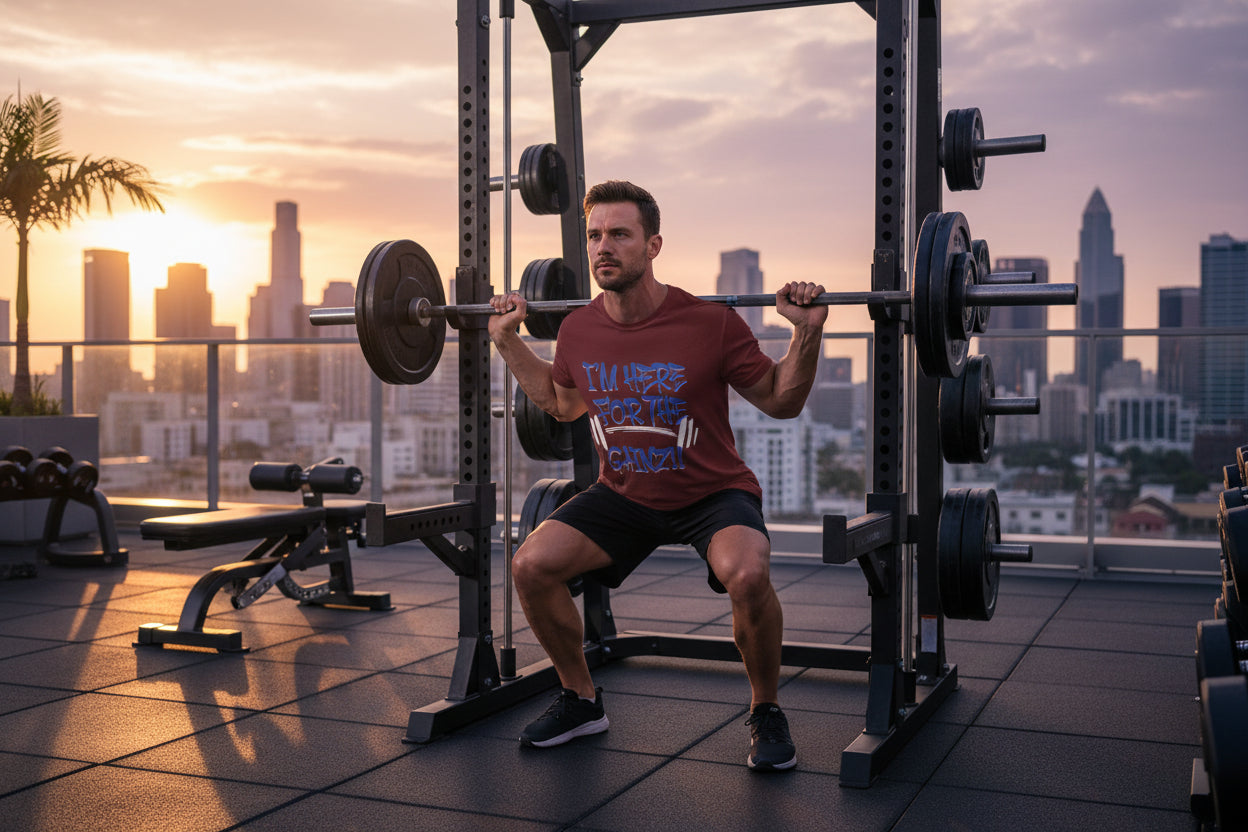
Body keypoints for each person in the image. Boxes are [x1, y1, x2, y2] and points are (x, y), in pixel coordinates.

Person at [488, 180, 827, 771]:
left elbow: (780, 400)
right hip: (623, 493)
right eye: (595, 236)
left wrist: (807, 331)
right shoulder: (578, 330)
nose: (603, 248)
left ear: (653, 245)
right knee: (530, 565)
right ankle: (581, 699)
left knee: (747, 576)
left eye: (619, 234)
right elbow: (562, 403)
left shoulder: (708, 322)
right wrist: (507, 342)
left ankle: (766, 708)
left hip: (712, 493)